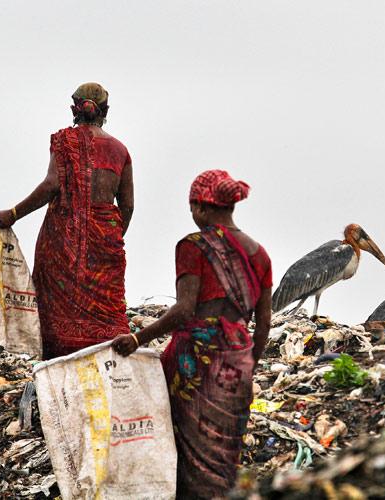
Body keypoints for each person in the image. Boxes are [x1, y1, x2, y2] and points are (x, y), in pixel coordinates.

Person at [112, 170, 272, 499]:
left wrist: (137, 339)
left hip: (197, 361)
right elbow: (264, 321)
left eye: (191, 208)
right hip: (238, 359)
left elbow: (184, 310)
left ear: (201, 207)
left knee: (187, 450)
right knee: (226, 454)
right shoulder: (260, 255)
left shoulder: (193, 246)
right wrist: (248, 362)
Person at [0, 82, 134, 359]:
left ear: (74, 109)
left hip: (60, 241)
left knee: (54, 312)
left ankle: (57, 368)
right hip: (106, 242)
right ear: (106, 110)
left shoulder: (64, 141)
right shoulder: (120, 150)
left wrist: (14, 213)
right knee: (109, 319)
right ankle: (109, 362)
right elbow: (127, 206)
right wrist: (110, 239)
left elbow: (52, 184)